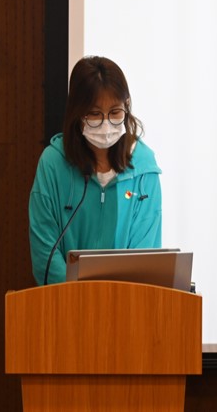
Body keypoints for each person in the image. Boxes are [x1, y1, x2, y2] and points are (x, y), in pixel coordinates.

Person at [28, 56, 162, 285]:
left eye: (115, 112)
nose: (106, 124)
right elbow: (45, 253)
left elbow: (145, 255)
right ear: (77, 113)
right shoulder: (52, 164)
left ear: (127, 106)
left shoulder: (144, 169)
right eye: (94, 114)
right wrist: (81, 298)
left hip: (127, 302)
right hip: (65, 301)